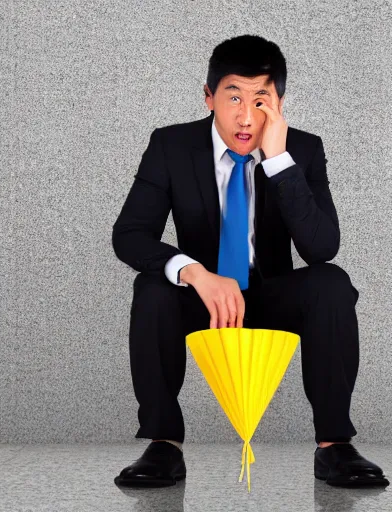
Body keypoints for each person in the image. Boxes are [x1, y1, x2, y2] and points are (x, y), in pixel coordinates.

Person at [111, 34, 389, 488]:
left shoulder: (304, 148)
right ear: (208, 97)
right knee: (154, 290)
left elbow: (321, 248)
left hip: (271, 294)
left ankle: (334, 446)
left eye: (261, 100)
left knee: (331, 283)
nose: (245, 116)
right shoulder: (171, 146)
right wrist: (194, 272)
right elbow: (130, 234)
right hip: (204, 297)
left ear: (279, 102)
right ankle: (163, 444)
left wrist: (277, 159)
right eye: (233, 96)